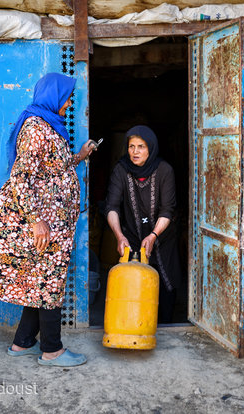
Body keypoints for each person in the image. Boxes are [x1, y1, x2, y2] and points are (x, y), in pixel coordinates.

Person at [0, 73, 96, 367]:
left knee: (40, 279)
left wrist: (80, 155)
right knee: (49, 280)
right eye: (66, 98)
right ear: (53, 96)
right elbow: (21, 176)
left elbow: (53, 166)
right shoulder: (35, 128)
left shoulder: (49, 126)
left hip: (51, 221)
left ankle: (22, 342)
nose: (68, 104)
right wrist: (37, 220)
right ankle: (52, 350)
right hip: (40, 222)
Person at [104, 125, 181, 324]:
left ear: (151, 148)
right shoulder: (121, 169)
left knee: (165, 280)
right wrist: (119, 236)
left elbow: (167, 209)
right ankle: (136, 325)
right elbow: (112, 206)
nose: (135, 152)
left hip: (162, 236)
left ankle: (164, 325)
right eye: (131, 146)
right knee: (134, 283)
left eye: (141, 146)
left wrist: (154, 235)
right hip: (132, 235)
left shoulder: (165, 170)